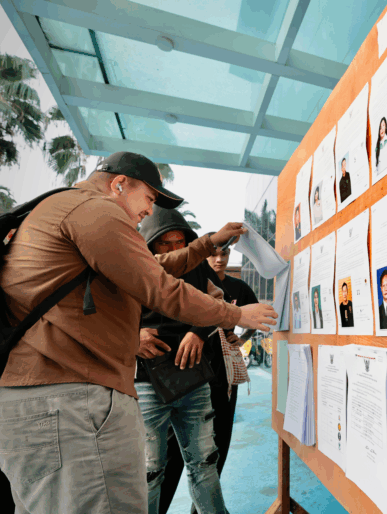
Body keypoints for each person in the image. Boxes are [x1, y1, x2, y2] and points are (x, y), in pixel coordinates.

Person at [0, 151, 277, 514]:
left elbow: (153, 265)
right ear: (119, 185)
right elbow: (160, 286)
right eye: (149, 199)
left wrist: (208, 243)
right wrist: (236, 313)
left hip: (49, 399)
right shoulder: (95, 211)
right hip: (69, 404)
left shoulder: (66, 210)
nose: (149, 211)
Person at [136, 208, 231, 514]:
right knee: (149, 470)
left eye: (180, 241)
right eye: (165, 243)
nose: (175, 248)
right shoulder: (131, 269)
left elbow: (217, 303)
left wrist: (199, 332)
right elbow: (103, 314)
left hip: (193, 378)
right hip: (146, 384)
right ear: (150, 243)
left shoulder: (198, 268)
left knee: (204, 462)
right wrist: (132, 336)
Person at [158, 235, 262, 514]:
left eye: (224, 254)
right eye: (213, 253)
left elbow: (254, 318)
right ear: (202, 255)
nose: (219, 259)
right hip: (185, 380)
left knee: (214, 454)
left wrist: (240, 339)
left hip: (223, 378)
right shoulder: (184, 280)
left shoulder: (238, 287)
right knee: (169, 457)